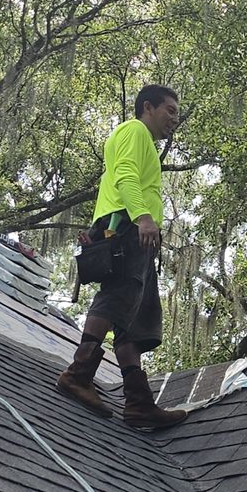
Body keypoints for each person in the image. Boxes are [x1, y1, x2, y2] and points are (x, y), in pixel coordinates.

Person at [56, 85, 188, 428]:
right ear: (148, 107)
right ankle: (78, 373)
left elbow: (114, 180)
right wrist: (143, 218)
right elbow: (126, 174)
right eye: (170, 110)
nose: (175, 118)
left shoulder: (137, 138)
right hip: (129, 226)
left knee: (133, 311)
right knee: (117, 295)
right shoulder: (134, 131)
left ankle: (138, 402)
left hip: (127, 227)